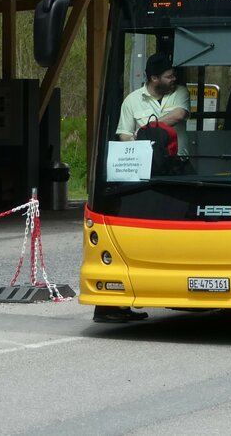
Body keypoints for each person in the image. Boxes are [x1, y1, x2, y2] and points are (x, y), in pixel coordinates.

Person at [96, 52, 190, 324]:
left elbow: (179, 115)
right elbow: (123, 133)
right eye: (170, 75)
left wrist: (149, 131)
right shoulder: (131, 101)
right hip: (145, 173)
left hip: (178, 169)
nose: (175, 78)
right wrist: (137, 138)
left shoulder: (180, 93)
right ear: (153, 78)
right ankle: (120, 300)